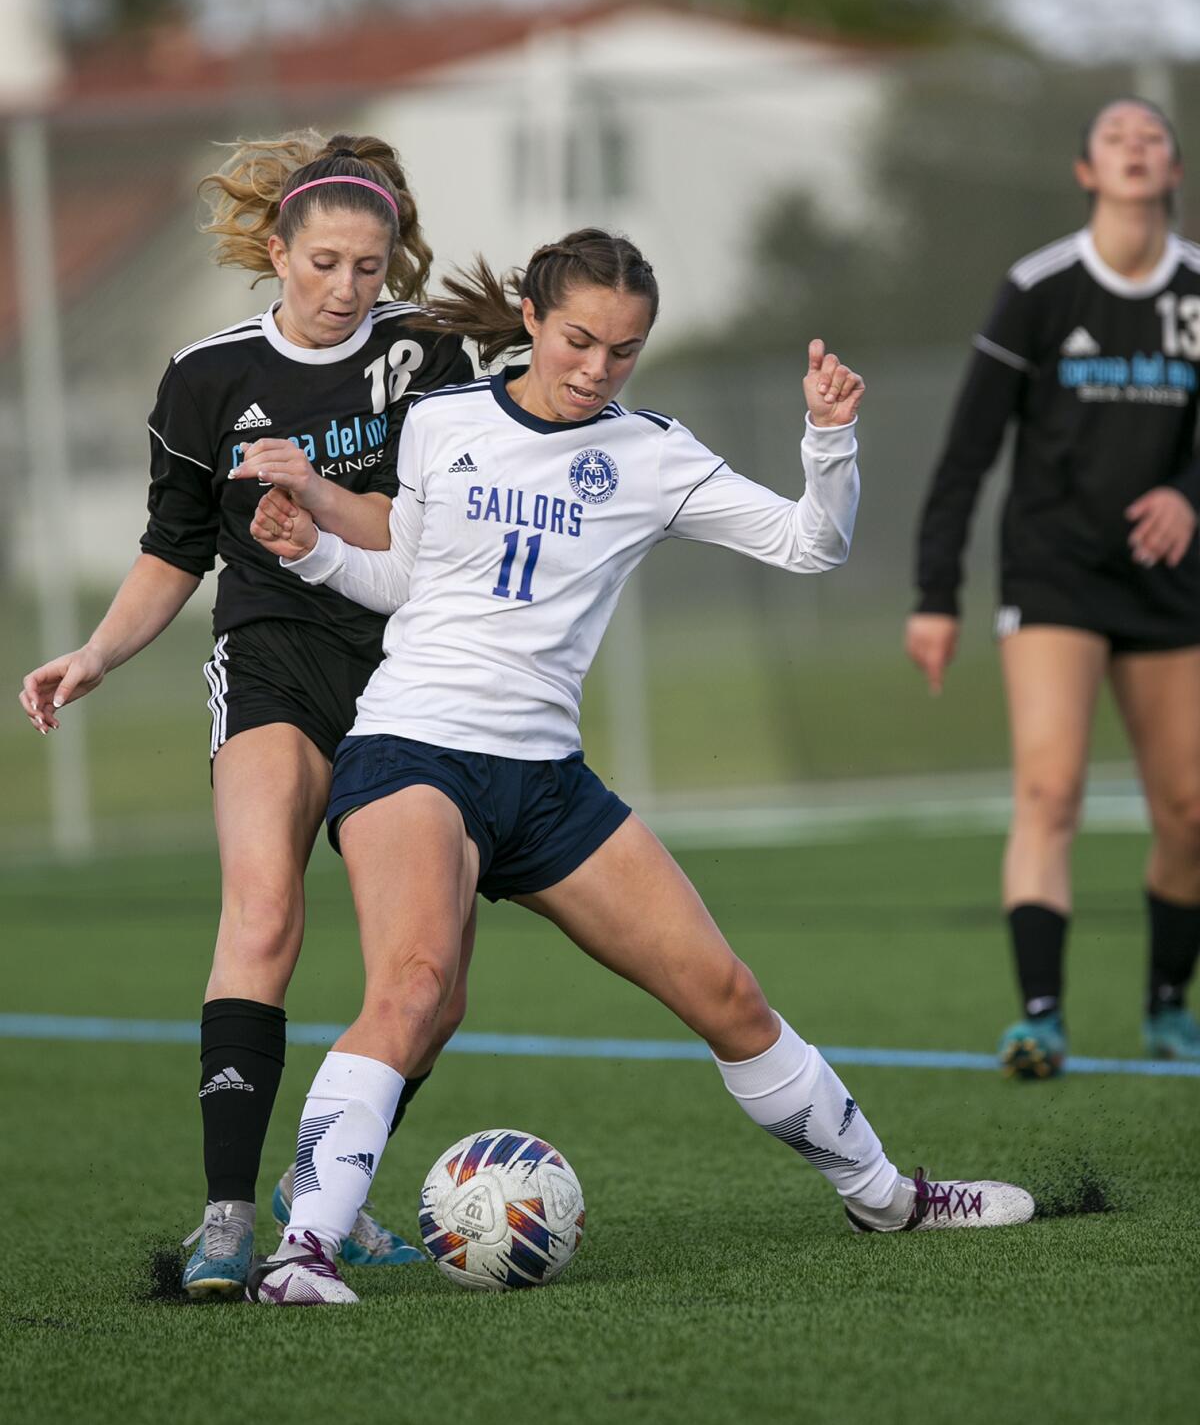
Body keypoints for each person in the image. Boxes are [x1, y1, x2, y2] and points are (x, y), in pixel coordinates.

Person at [242, 227, 1035, 1305]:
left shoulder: (653, 454)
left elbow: (812, 544)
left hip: (549, 781)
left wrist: (829, 440)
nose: (596, 369)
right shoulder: (439, 421)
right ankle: (301, 1256)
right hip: (412, 749)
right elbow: (412, 583)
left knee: (729, 994)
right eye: (578, 340)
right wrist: (323, 551)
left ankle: (887, 1196)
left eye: (623, 350)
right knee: (418, 985)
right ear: (529, 317)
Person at [18, 130, 475, 1297]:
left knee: (431, 974)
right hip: (270, 655)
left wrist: (323, 512)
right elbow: (174, 551)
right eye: (322, 263)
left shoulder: (429, 357)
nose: (343, 289)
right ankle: (225, 1218)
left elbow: (438, 538)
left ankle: (330, 1188)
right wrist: (99, 653)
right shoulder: (206, 376)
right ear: (277, 248)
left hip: (409, 669)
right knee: (262, 908)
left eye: (369, 269)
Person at [907, 97, 1200, 1079]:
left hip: (1169, 586)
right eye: (1115, 137)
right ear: (1086, 170)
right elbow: (968, 451)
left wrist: (1188, 496)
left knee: (1191, 808)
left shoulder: (1198, 289)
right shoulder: (1039, 288)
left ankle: (1168, 1004)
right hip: (1055, 570)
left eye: (1150, 138)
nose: (1133, 147)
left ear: (1171, 170)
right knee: (1049, 785)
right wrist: (935, 593)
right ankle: (1040, 1016)